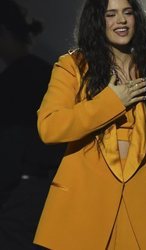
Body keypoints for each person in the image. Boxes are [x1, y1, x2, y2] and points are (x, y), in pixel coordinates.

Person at [33, 0, 146, 249]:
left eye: (127, 13)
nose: (121, 21)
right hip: (80, 212)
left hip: (140, 217)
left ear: (137, 18)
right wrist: (112, 102)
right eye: (111, 14)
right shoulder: (73, 67)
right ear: (98, 21)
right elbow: (50, 126)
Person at [0, 1, 65, 249]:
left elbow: (10, 149)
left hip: (21, 196)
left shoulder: (11, 83)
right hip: (53, 192)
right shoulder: (50, 73)